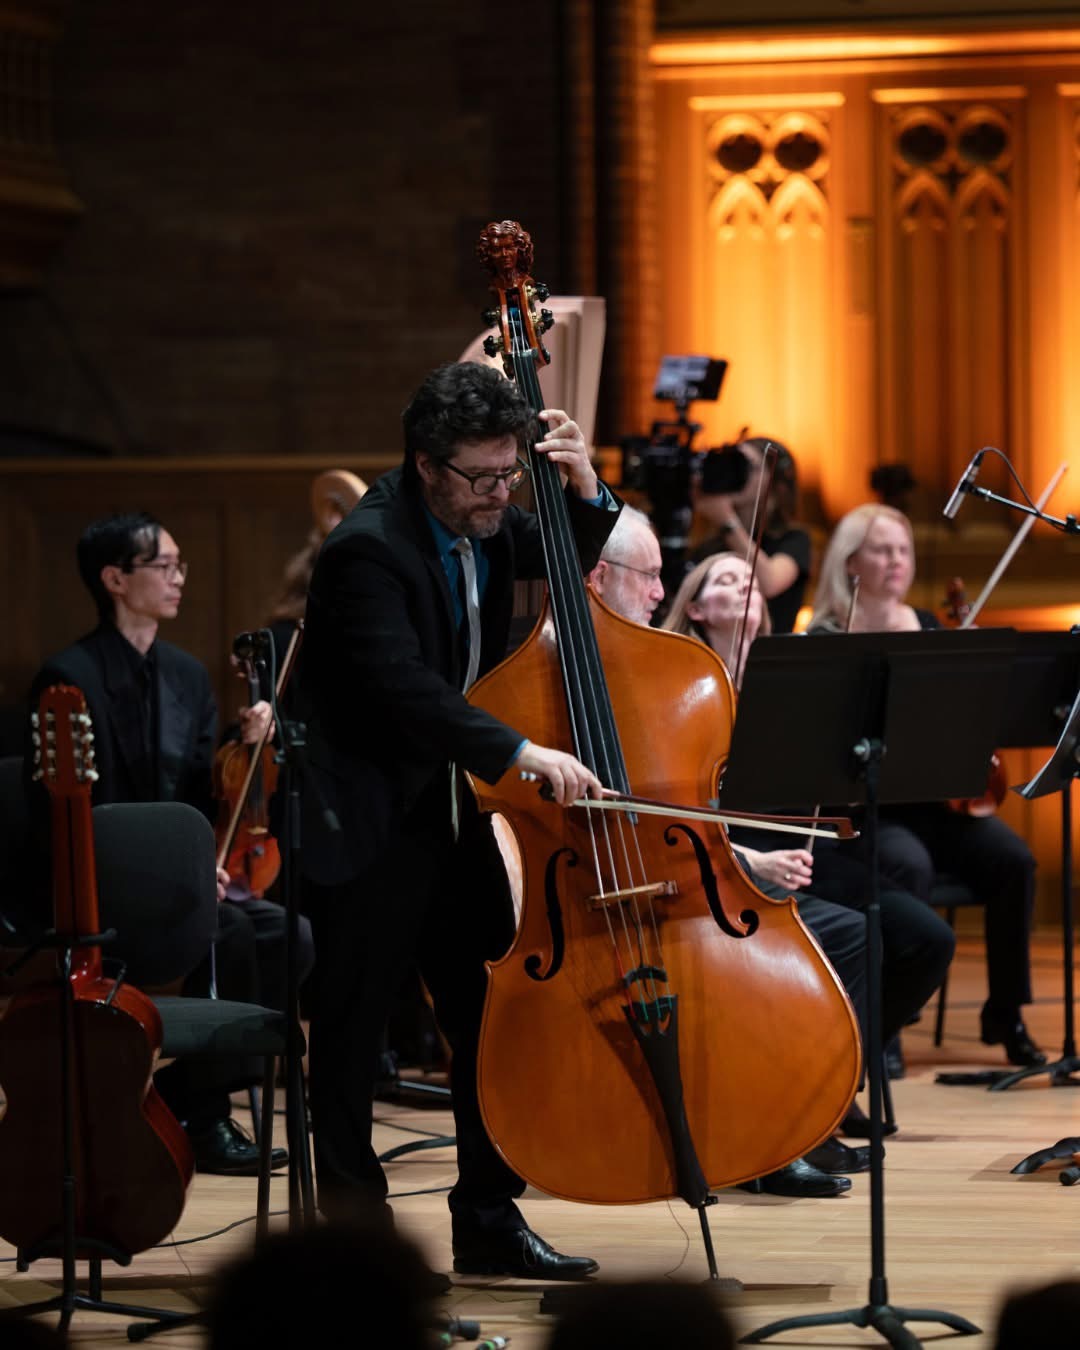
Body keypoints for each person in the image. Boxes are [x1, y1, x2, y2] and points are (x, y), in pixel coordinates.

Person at [297, 360, 617, 1277]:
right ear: (425, 464)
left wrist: (583, 484)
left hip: (449, 811)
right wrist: (524, 753)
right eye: (482, 479)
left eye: (510, 474)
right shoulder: (369, 550)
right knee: (354, 1039)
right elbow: (406, 692)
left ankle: (488, 1223)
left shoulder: (483, 511)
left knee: (489, 1023)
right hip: (367, 818)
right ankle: (355, 1248)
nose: (500, 496)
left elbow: (563, 548)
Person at [589, 510, 870, 1199]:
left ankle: (803, 1112)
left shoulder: (668, 671)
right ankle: (772, 1138)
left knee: (854, 934)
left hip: (697, 870)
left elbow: (692, 810)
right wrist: (748, 861)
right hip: (638, 883)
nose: (661, 592)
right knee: (767, 969)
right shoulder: (598, 672)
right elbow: (647, 812)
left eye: (662, 577)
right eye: (650, 577)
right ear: (599, 578)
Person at [27, 512, 299, 1175]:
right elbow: (60, 812)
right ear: (116, 579)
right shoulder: (67, 677)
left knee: (289, 936)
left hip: (183, 878)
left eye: (182, 565)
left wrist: (249, 745)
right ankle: (204, 1117)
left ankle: (180, 1096)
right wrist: (173, 870)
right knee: (233, 935)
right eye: (164, 565)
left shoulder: (185, 676)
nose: (180, 578)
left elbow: (207, 796)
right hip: (100, 879)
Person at [664, 550, 956, 1130]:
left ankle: (836, 1066)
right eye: (725, 580)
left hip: (807, 850)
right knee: (861, 937)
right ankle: (818, 1091)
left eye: (749, 579)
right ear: (696, 608)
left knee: (928, 939)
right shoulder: (676, 685)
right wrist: (755, 859)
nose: (742, 586)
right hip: (733, 856)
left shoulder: (791, 677)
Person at [809, 504, 1042, 1068]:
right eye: (883, 549)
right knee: (905, 864)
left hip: (941, 807)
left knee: (1015, 862)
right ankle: (886, 1021)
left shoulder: (933, 629)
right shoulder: (827, 636)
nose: (896, 561)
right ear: (851, 561)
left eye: (904, 550)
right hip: (868, 812)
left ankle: (1005, 1012)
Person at [690, 436, 810, 633]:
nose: (736, 474)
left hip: (767, 656)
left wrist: (726, 521)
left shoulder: (793, 539)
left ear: (774, 480)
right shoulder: (711, 543)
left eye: (746, 466)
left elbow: (770, 582)